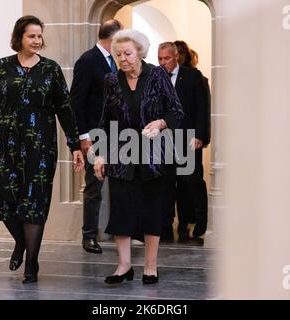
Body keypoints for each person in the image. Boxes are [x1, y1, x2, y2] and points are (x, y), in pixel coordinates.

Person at [0, 15, 84, 284]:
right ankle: (21, 242)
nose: (37, 41)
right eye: (32, 36)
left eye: (39, 36)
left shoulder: (51, 70)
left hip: (40, 147)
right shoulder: (2, 67)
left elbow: (65, 109)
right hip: (5, 146)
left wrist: (75, 144)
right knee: (5, 202)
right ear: (19, 37)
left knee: (35, 204)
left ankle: (31, 263)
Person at [94, 29, 184, 284]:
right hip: (121, 153)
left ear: (140, 52)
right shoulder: (111, 80)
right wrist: (99, 154)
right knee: (121, 210)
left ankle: (150, 266)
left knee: (151, 210)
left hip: (153, 153)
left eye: (128, 53)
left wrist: (160, 123)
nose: (123, 58)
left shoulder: (157, 75)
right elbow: (105, 119)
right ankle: (124, 266)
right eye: (118, 54)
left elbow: (176, 111)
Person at [70, 19, 123, 254]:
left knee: (123, 182)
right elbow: (76, 102)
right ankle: (89, 235)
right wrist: (83, 136)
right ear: (111, 39)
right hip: (94, 133)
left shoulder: (120, 61)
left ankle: (125, 229)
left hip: (119, 132)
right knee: (94, 185)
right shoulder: (88, 60)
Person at [158, 42, 210, 244]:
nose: (163, 63)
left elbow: (202, 109)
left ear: (176, 57)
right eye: (160, 59)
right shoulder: (155, 78)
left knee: (192, 182)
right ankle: (166, 225)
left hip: (188, 140)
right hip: (164, 141)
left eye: (167, 58)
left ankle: (198, 224)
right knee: (166, 184)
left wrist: (200, 135)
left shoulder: (192, 77)